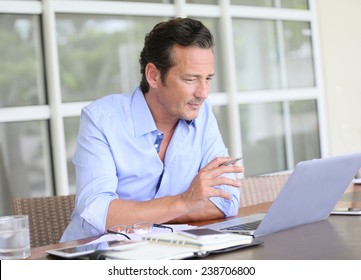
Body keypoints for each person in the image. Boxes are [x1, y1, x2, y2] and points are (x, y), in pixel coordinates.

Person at [61, 17, 243, 242]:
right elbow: (98, 215)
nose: (203, 93)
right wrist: (185, 201)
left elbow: (227, 200)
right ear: (154, 75)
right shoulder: (100, 120)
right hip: (96, 257)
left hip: (170, 249)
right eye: (191, 79)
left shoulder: (202, 115)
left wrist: (138, 216)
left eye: (207, 79)